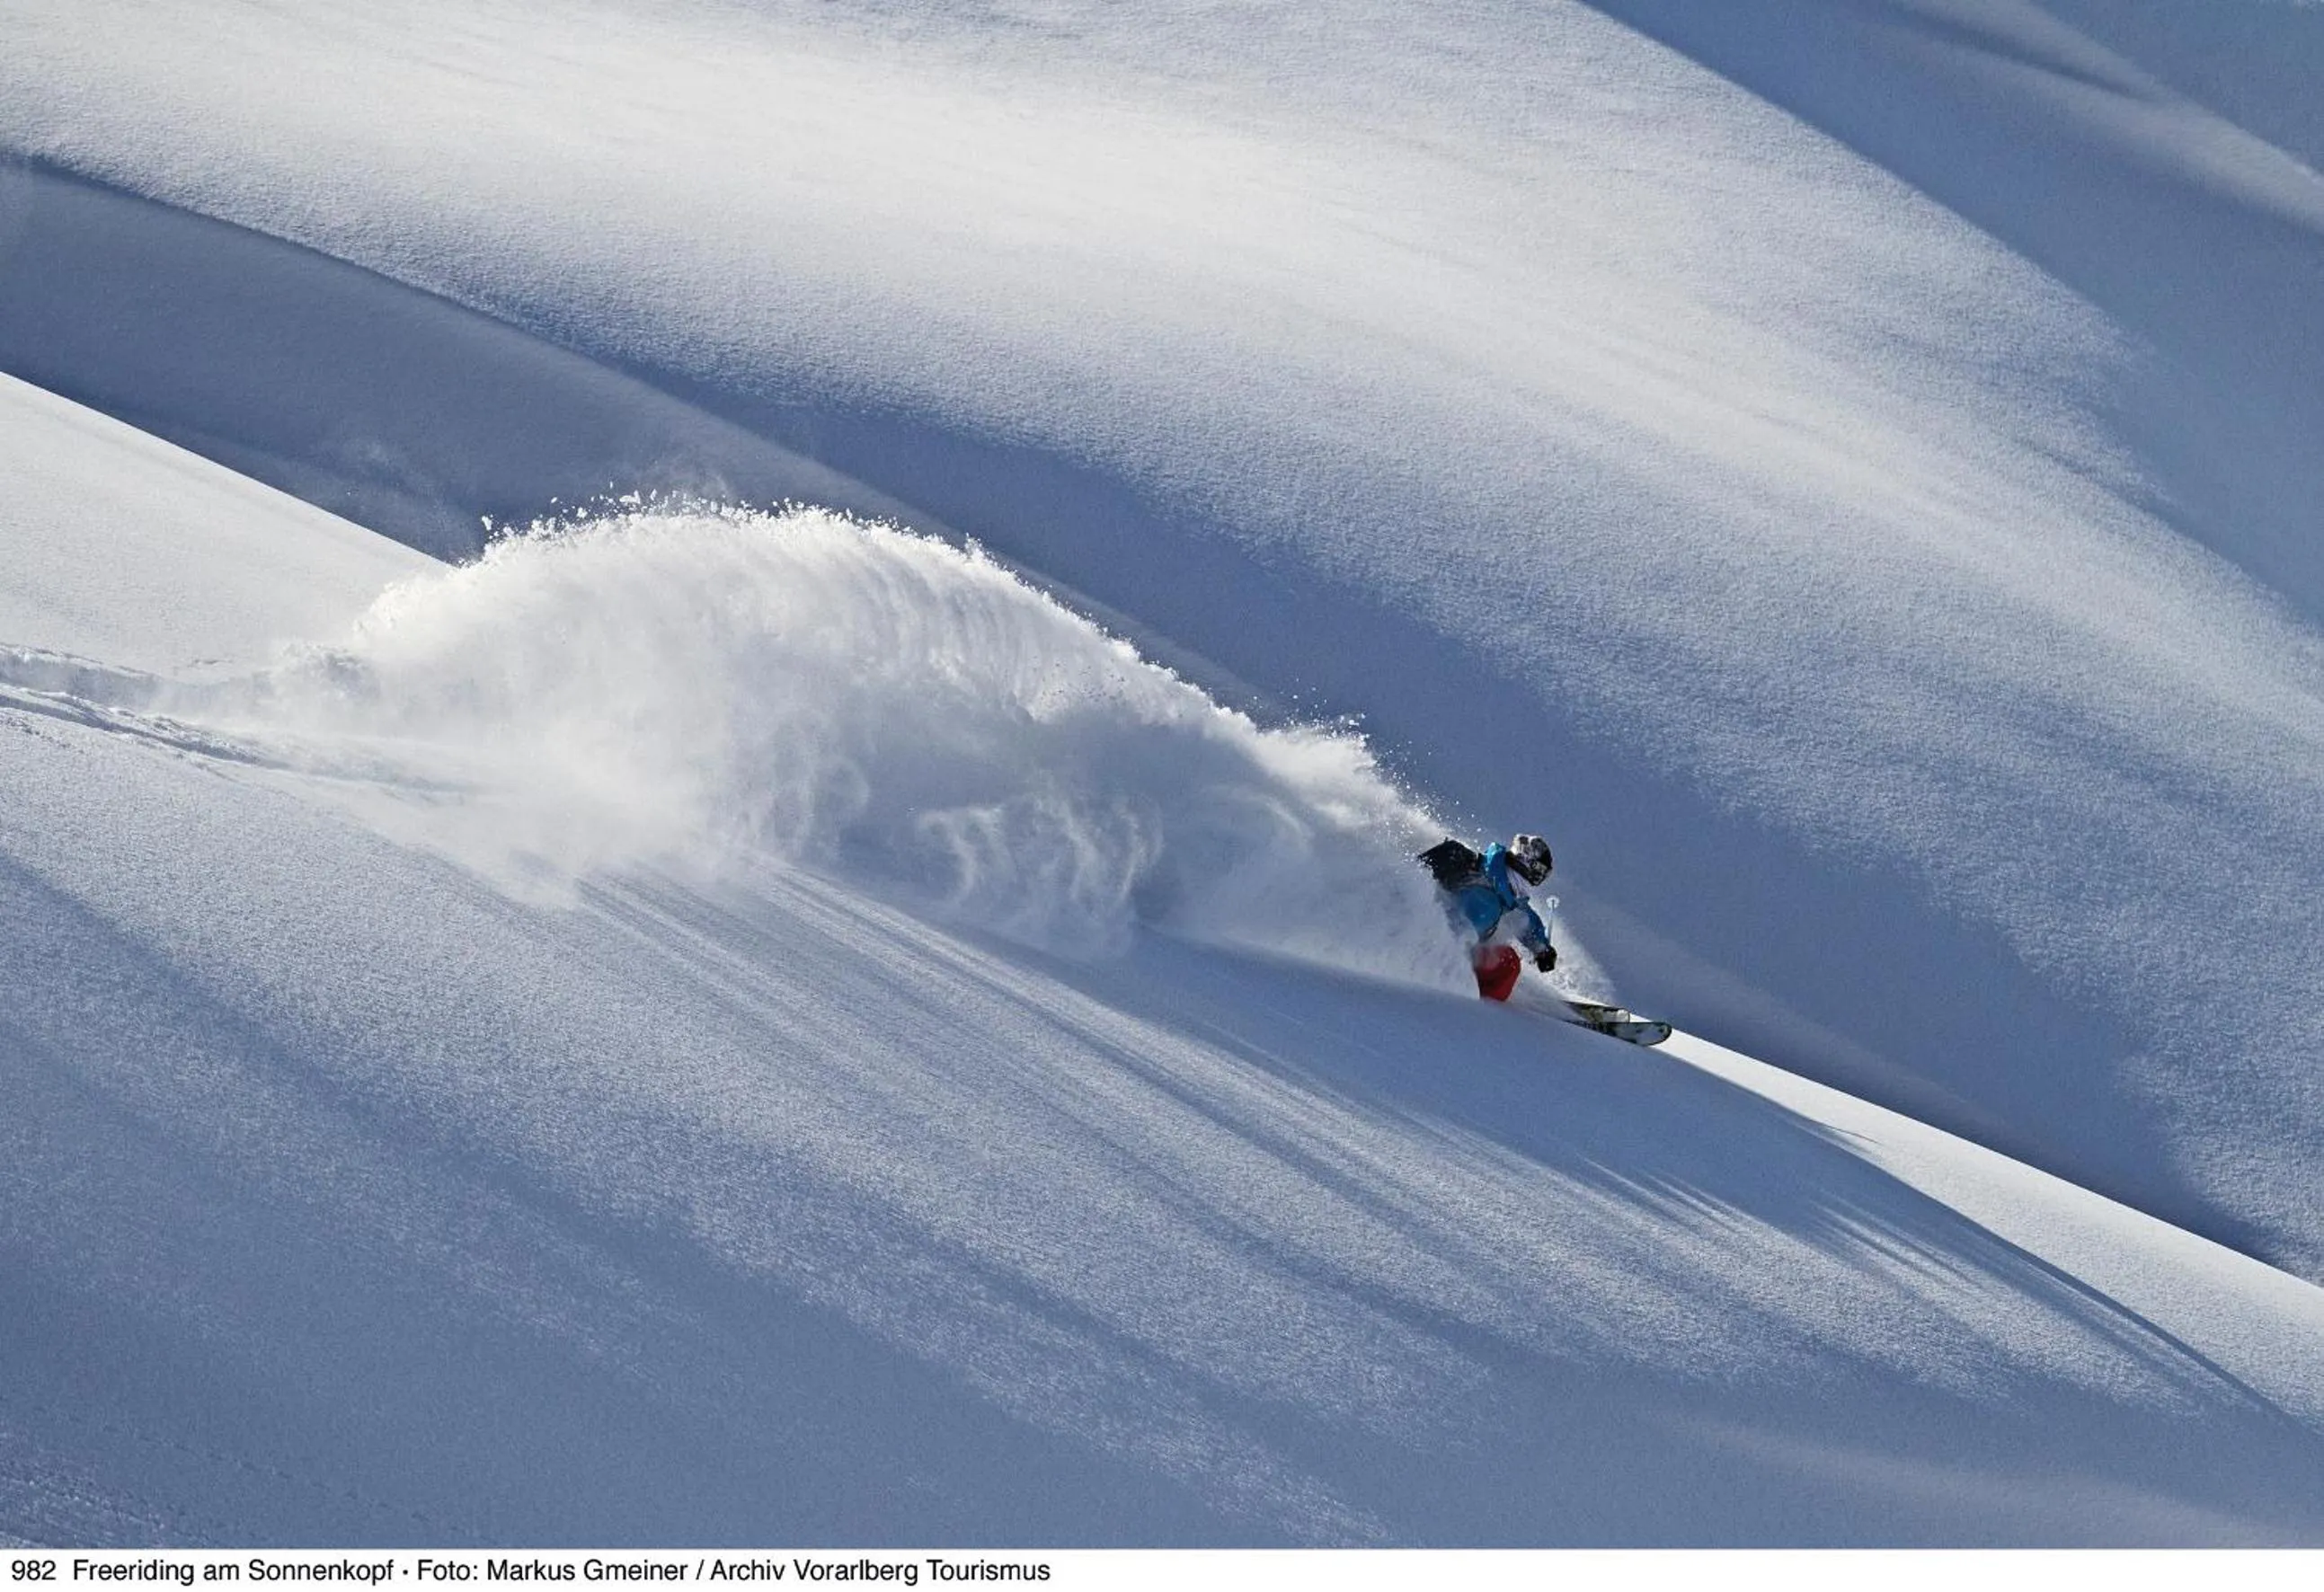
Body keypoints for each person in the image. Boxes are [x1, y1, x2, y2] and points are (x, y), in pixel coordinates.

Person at [1421, 833, 1556, 1001]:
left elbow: (1524, 916)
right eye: (1540, 871)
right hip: (1437, 950)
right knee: (1509, 966)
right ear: (1526, 862)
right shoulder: (1487, 898)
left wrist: (1542, 948)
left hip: (1455, 944)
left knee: (1507, 958)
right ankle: (1479, 1003)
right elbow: (1454, 933)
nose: (1539, 879)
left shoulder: (1500, 883)